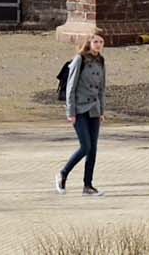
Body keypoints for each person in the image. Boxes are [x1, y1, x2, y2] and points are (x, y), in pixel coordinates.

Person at [58, 30, 107, 192]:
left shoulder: (101, 61)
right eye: (95, 42)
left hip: (94, 108)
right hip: (79, 108)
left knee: (93, 148)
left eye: (101, 42)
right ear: (89, 43)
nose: (98, 45)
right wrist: (70, 112)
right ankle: (63, 174)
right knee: (85, 146)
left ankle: (88, 185)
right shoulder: (80, 59)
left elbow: (101, 88)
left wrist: (102, 111)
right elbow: (71, 87)